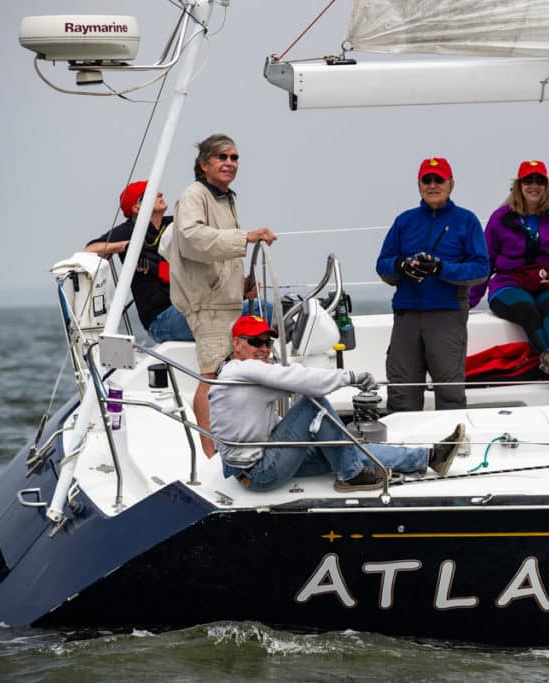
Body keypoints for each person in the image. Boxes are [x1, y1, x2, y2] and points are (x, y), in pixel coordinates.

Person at [209, 315, 466, 492]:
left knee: (346, 448)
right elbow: (299, 379)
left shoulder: (234, 373)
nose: (264, 348)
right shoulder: (244, 371)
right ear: (237, 344)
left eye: (268, 342)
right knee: (314, 403)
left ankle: (429, 457)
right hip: (260, 472)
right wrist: (350, 377)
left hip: (258, 462)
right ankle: (351, 476)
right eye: (256, 342)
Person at [167, 134, 278, 457]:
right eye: (222, 157)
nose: (230, 163)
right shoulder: (194, 195)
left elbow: (216, 247)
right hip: (208, 306)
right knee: (212, 378)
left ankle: (227, 447)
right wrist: (247, 237)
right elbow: (190, 239)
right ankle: (210, 455)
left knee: (226, 375)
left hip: (227, 301)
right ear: (204, 165)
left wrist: (240, 284)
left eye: (235, 158)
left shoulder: (224, 198)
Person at [86, 180, 270, 344]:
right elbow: (88, 250)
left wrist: (241, 289)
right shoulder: (128, 230)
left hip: (194, 306)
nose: (159, 194)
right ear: (137, 208)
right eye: (150, 193)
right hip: (161, 319)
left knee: (266, 310)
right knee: (244, 314)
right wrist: (123, 246)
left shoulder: (175, 224)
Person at [375, 157, 490, 412]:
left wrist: (441, 269)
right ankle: (402, 450)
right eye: (427, 180)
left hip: (446, 316)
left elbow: (481, 268)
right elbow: (382, 264)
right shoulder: (404, 221)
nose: (433, 185)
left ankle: (450, 450)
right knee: (402, 394)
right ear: (419, 185)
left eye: (439, 180)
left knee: (450, 394)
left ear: (451, 184)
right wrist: (402, 266)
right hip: (407, 317)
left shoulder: (467, 221)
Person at [468, 160, 549, 390]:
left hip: (547, 281)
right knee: (527, 310)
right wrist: (470, 299)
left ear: (546, 185)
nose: (533, 185)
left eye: (539, 180)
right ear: (519, 185)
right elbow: (486, 261)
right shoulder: (500, 218)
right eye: (528, 180)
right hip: (509, 283)